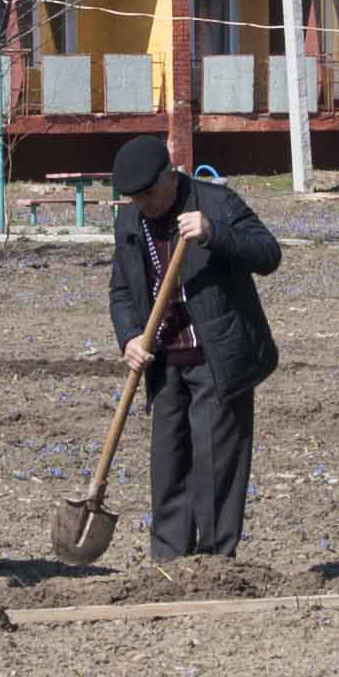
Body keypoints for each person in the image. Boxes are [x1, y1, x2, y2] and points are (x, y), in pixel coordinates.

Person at [107, 135, 285, 561]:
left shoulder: (216, 203)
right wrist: (130, 336)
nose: (145, 205)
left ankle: (215, 562)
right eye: (135, 199)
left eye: (149, 195)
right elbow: (121, 290)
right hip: (164, 361)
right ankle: (168, 563)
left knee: (216, 464)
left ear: (170, 176)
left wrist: (213, 233)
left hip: (217, 358)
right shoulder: (130, 222)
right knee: (168, 465)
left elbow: (268, 254)